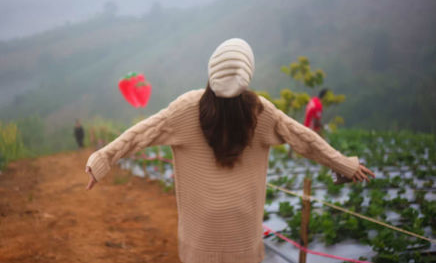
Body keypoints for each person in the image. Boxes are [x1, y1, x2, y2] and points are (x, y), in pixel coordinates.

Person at [84, 38, 375, 263]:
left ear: (211, 72)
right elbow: (305, 139)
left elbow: (139, 134)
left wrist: (102, 159)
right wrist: (345, 165)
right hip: (244, 242)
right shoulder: (261, 112)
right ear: (248, 74)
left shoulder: (185, 109)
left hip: (199, 242)